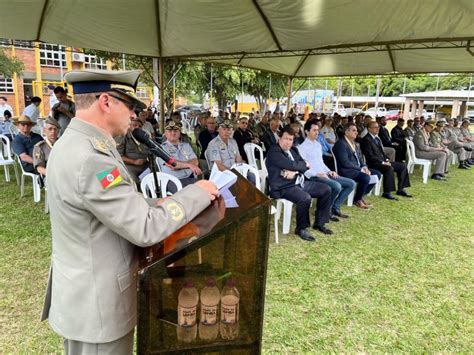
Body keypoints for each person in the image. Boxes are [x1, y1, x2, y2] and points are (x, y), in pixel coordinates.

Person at [41, 69, 219, 354]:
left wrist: (154, 203)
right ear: (106, 102)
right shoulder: (92, 158)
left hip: (82, 293)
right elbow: (145, 229)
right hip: (99, 304)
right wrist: (197, 193)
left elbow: (106, 204)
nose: (134, 115)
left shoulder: (73, 143)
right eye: (130, 106)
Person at [266, 125, 332, 241]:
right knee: (305, 198)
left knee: (325, 189)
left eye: (290, 140)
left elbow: (305, 165)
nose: (288, 142)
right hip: (283, 187)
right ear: (279, 139)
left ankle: (320, 223)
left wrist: (295, 171)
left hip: (298, 182)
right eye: (285, 139)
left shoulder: (293, 150)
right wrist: (299, 166)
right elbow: (293, 164)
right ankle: (301, 228)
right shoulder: (274, 152)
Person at [298, 120, 355, 219]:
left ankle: (334, 207)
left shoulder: (318, 145)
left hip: (325, 174)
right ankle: (325, 211)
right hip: (314, 177)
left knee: (351, 183)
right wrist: (317, 174)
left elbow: (321, 163)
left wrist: (329, 171)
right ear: (306, 131)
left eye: (317, 130)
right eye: (314, 130)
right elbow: (303, 168)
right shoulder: (302, 147)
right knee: (336, 186)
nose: (317, 132)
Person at [332, 123, 381, 209]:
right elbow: (345, 163)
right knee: (365, 178)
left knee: (377, 174)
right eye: (353, 130)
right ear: (346, 132)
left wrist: (364, 166)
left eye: (356, 130)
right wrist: (360, 169)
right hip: (346, 170)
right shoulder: (341, 144)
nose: (356, 132)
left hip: (356, 169)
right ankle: (357, 200)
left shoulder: (354, 143)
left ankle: (360, 195)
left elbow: (360, 158)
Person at [360, 121, 412, 200]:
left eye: (378, 127)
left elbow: (382, 152)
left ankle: (401, 189)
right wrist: (383, 162)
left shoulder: (377, 138)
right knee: (389, 168)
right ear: (369, 129)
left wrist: (386, 159)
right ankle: (387, 192)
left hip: (382, 161)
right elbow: (369, 156)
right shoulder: (366, 140)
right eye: (375, 127)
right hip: (373, 164)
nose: (378, 129)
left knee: (402, 166)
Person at [160, 120, 201, 191]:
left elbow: (195, 161)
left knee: (206, 191)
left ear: (179, 133)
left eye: (176, 131)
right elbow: (173, 164)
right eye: (169, 131)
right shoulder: (161, 149)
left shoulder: (186, 146)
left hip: (190, 178)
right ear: (165, 134)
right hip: (173, 181)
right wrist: (189, 165)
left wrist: (180, 165)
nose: (173, 133)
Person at [115, 117, 150, 183]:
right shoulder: (123, 136)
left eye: (140, 126)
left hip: (145, 166)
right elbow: (118, 156)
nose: (137, 127)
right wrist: (134, 161)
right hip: (129, 166)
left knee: (155, 177)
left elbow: (151, 152)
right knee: (130, 181)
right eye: (135, 125)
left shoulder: (145, 137)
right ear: (129, 126)